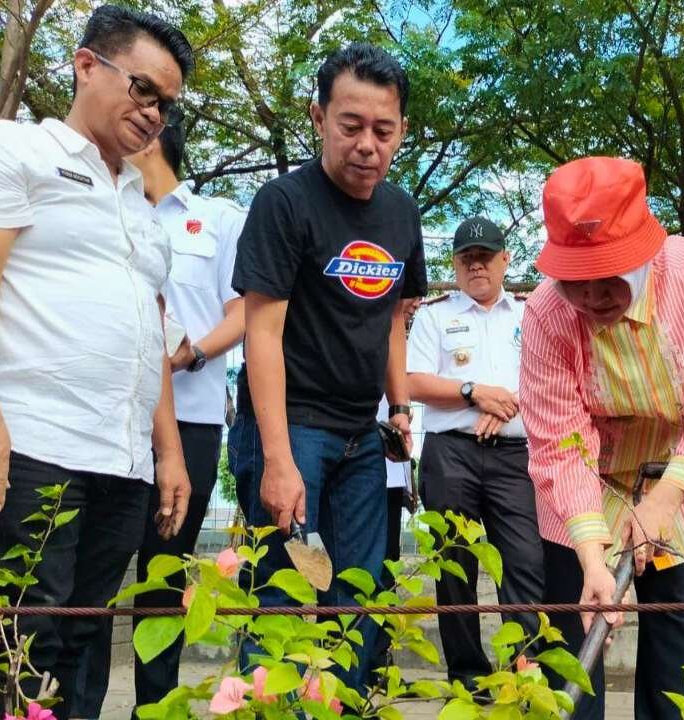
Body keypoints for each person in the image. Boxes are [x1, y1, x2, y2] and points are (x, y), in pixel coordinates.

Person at [0, 5, 193, 717]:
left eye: (166, 105)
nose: (153, 114)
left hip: (123, 460)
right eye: (143, 89)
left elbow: (151, 333)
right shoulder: (5, 150)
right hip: (29, 446)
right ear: (86, 65)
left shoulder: (143, 207)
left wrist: (167, 453)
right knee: (25, 640)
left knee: (84, 645)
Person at [520, 156, 684, 720]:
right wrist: (593, 557)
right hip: (584, 489)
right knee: (573, 658)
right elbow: (558, 443)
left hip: (676, 475)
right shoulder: (546, 313)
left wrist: (663, 503)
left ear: (644, 257)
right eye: (579, 282)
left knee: (673, 661)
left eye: (611, 279)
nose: (594, 298)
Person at [231, 42, 426, 690]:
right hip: (292, 428)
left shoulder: (402, 212)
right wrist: (279, 458)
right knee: (284, 591)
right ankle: (266, 706)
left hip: (362, 436)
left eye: (383, 129)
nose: (368, 144)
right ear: (318, 118)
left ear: (400, 132)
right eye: (351, 126)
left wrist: (398, 411)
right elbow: (262, 332)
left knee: (360, 595)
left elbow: (396, 320)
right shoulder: (283, 204)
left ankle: (339, 703)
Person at [75, 119, 247, 717]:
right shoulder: (99, 209)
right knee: (90, 575)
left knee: (164, 574)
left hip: (192, 418)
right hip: (108, 418)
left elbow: (244, 310)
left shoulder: (219, 219)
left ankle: (155, 708)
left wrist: (191, 352)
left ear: (151, 140)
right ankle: (78, 704)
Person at [406, 217, 544, 690]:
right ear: (456, 264)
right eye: (466, 257)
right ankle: (467, 676)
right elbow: (414, 382)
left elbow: (553, 374)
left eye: (485, 256)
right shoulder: (433, 315)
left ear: (505, 260)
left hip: (515, 457)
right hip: (451, 456)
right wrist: (473, 392)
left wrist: (506, 405)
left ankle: (522, 673)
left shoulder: (533, 313)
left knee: (524, 565)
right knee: (455, 568)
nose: (476, 265)